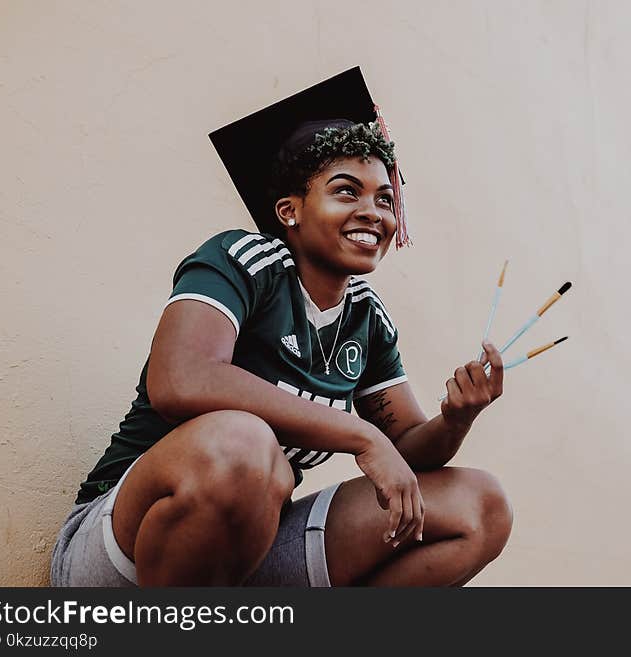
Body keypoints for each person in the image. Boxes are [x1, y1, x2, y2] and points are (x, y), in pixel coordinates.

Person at [49, 68, 513, 587]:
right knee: (243, 443)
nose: (373, 212)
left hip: (252, 551)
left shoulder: (367, 317)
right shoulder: (245, 260)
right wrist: (360, 435)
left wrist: (455, 419)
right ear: (289, 212)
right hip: (125, 547)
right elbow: (181, 379)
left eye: (385, 198)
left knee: (482, 505)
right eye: (346, 192)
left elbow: (405, 446)